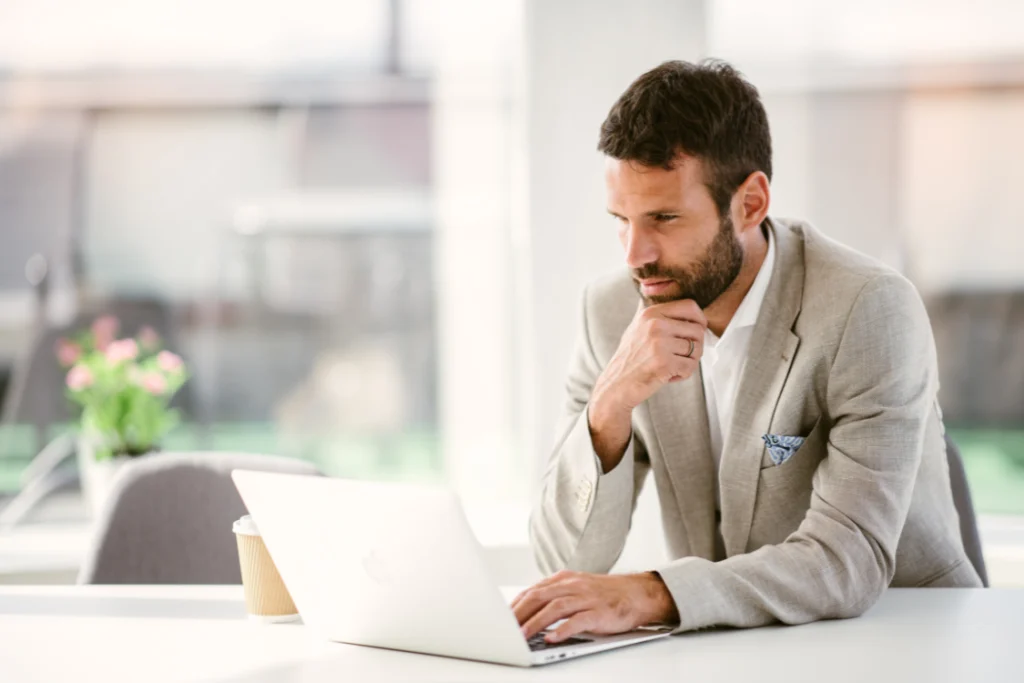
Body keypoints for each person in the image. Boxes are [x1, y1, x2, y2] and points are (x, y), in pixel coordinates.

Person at [515, 59, 982, 645]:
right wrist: (609, 406)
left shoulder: (868, 308)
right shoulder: (611, 311)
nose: (635, 254)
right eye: (621, 220)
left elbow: (849, 561)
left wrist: (653, 593)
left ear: (751, 203)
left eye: (664, 218)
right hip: (735, 646)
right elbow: (564, 556)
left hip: (904, 637)